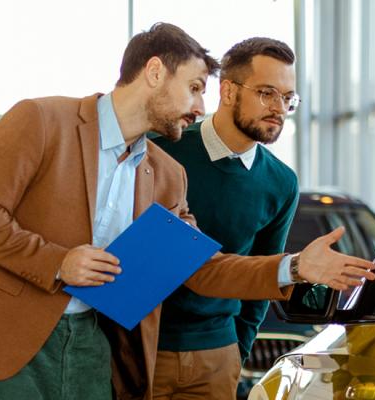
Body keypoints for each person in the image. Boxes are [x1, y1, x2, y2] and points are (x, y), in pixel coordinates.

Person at [0, 22, 375, 400]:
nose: (201, 107)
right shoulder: (40, 119)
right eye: (194, 88)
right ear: (153, 73)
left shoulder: (166, 174)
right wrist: (59, 262)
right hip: (8, 341)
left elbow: (202, 269)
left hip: (95, 345)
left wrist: (295, 267)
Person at [150, 37, 299, 399]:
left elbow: (262, 279)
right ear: (228, 91)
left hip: (218, 357)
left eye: (287, 97)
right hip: (143, 347)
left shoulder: (281, 183)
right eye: (267, 93)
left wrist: (238, 350)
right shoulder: (160, 150)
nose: (278, 107)